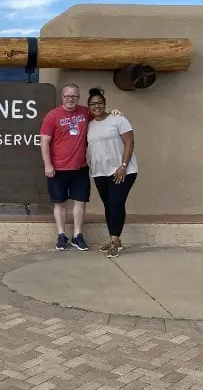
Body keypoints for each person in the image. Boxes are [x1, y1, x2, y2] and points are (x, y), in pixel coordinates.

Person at [86, 87, 138, 258]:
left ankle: (115, 241)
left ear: (105, 104)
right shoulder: (90, 124)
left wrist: (123, 165)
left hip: (122, 170)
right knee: (108, 204)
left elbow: (129, 142)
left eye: (99, 103)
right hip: (100, 172)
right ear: (89, 106)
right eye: (93, 104)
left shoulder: (118, 119)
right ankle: (113, 238)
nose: (96, 106)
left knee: (116, 202)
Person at [40, 83, 92, 251]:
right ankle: (62, 235)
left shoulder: (85, 112)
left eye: (74, 96)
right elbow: (44, 141)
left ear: (78, 97)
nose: (71, 99)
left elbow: (101, 116)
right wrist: (48, 164)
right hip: (58, 168)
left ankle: (77, 235)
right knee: (60, 202)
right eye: (67, 96)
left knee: (80, 202)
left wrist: (114, 113)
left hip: (80, 168)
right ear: (62, 97)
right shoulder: (52, 116)